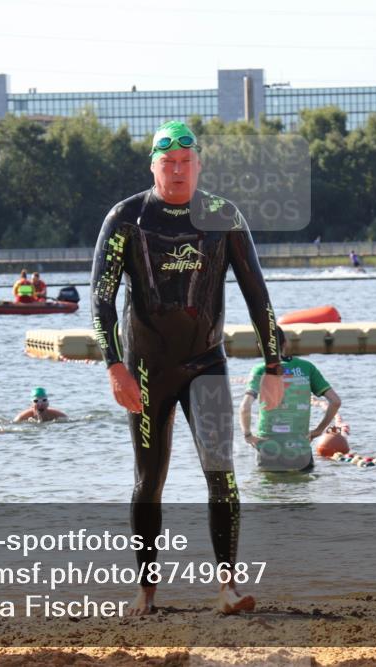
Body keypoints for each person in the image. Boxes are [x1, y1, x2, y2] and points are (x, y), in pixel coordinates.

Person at [90, 120, 285, 616]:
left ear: (198, 165)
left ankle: (227, 589)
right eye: (168, 163)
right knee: (148, 480)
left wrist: (273, 363)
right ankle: (146, 592)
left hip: (206, 365)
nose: (177, 171)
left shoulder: (223, 216)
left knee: (222, 474)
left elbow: (257, 292)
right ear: (153, 167)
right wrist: (114, 365)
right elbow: (101, 298)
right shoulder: (126, 217)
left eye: (185, 162)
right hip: (146, 370)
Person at [240, 327, 342, 472]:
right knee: (303, 486)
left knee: (268, 486)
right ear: (285, 343)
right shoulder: (306, 367)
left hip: (269, 449)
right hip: (300, 450)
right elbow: (336, 401)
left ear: (259, 346)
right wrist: (318, 430)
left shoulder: (260, 370)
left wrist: (248, 435)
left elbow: (245, 407)